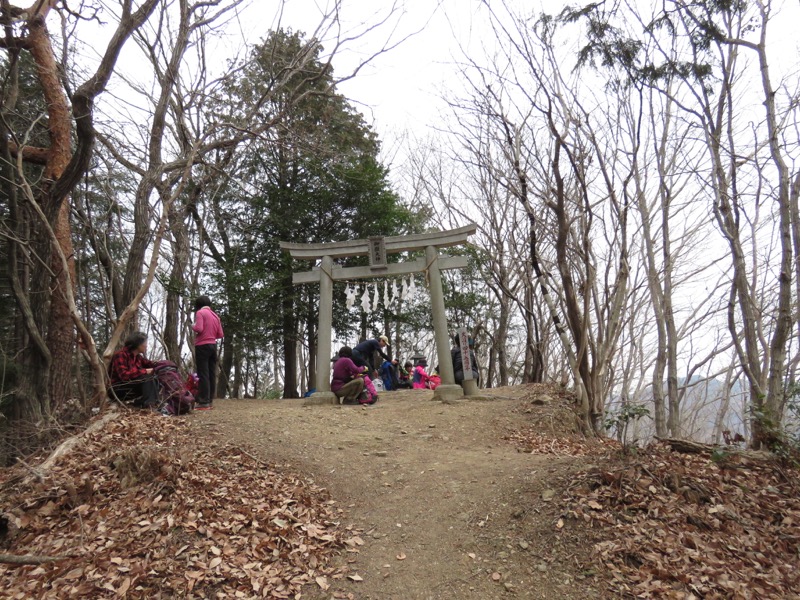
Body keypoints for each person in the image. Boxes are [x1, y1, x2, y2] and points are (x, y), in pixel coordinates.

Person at [109, 331, 159, 408]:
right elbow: (124, 376)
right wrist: (145, 371)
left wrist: (163, 364)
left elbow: (150, 364)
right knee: (147, 378)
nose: (146, 346)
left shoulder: (138, 357)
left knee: (156, 377)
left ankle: (148, 402)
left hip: (131, 387)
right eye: (145, 343)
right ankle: (148, 405)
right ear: (138, 344)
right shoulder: (120, 355)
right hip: (117, 389)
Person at [193, 296, 224, 410]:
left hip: (202, 345)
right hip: (213, 345)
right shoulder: (215, 316)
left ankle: (203, 401)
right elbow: (220, 334)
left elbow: (199, 328)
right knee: (211, 373)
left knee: (203, 373)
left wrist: (193, 326)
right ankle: (209, 400)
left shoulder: (200, 313)